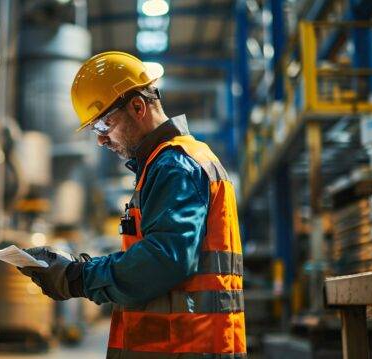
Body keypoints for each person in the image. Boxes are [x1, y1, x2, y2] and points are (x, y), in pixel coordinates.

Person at [18, 51, 246, 358]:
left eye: (103, 125)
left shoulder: (175, 165)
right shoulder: (166, 164)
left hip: (186, 346)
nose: (101, 140)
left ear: (137, 106)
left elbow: (165, 258)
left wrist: (78, 276)